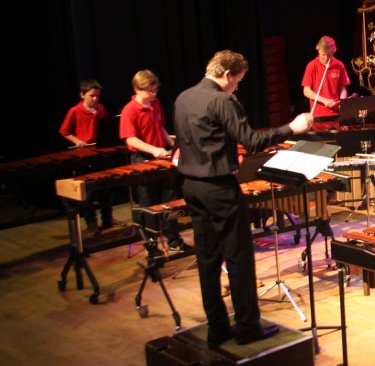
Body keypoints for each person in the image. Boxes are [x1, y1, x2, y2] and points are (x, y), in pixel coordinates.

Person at [174, 50, 313, 348]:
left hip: (191, 186)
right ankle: (248, 327)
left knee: (207, 259)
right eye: (237, 81)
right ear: (227, 75)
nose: (237, 87)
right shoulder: (222, 101)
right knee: (238, 258)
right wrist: (292, 128)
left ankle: (217, 328)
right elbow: (251, 141)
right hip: (219, 188)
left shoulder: (183, 97)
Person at [120, 70, 186, 251]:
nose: (154, 94)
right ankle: (151, 245)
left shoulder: (155, 103)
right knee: (148, 203)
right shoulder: (129, 110)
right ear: (137, 89)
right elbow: (129, 139)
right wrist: (154, 150)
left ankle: (174, 240)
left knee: (170, 199)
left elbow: (161, 127)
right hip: (142, 158)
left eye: (155, 90)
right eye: (150, 91)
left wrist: (175, 146)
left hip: (161, 155)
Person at [60, 79, 121, 232]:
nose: (95, 99)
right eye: (91, 96)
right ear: (82, 95)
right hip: (84, 156)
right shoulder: (74, 111)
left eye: (97, 96)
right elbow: (64, 131)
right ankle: (91, 223)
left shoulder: (101, 108)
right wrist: (78, 141)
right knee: (88, 192)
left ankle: (107, 219)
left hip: (100, 154)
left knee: (106, 188)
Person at [302, 35, 350, 121]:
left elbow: (343, 88)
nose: (326, 58)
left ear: (333, 52)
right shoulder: (312, 66)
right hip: (318, 114)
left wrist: (343, 104)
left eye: (329, 55)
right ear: (318, 51)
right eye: (323, 55)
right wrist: (324, 100)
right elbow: (306, 91)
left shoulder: (339, 65)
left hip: (336, 113)